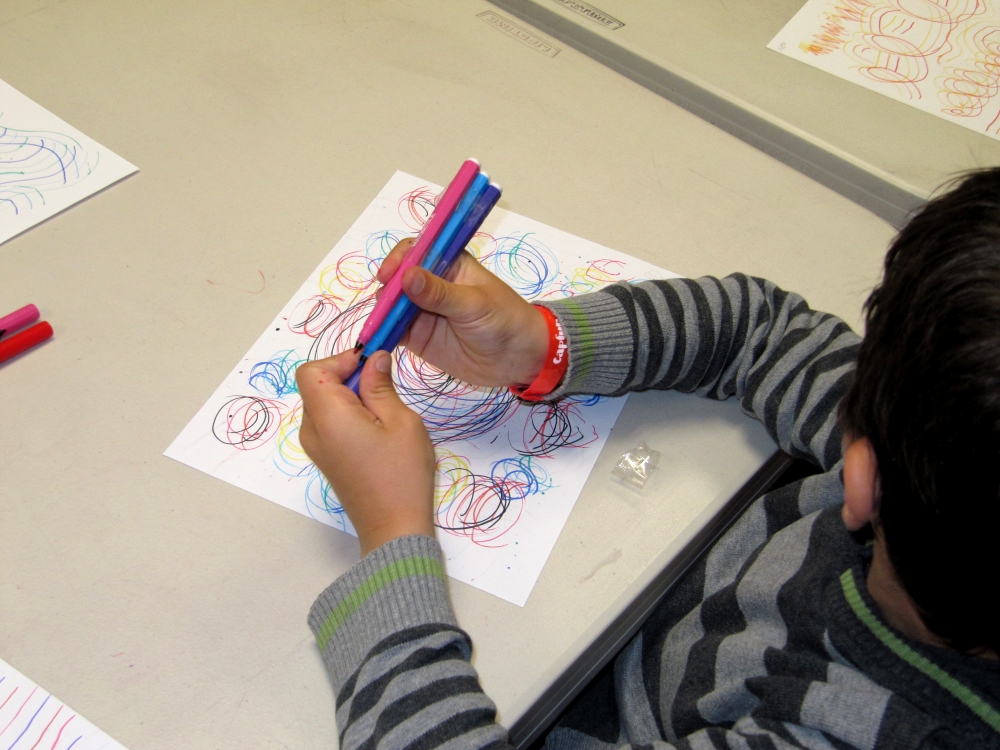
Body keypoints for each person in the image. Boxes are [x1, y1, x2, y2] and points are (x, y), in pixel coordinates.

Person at [295, 168, 1000, 749]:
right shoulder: (957, 445)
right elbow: (761, 330)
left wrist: (392, 530)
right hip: (667, 624)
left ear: (862, 475)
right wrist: (546, 345)